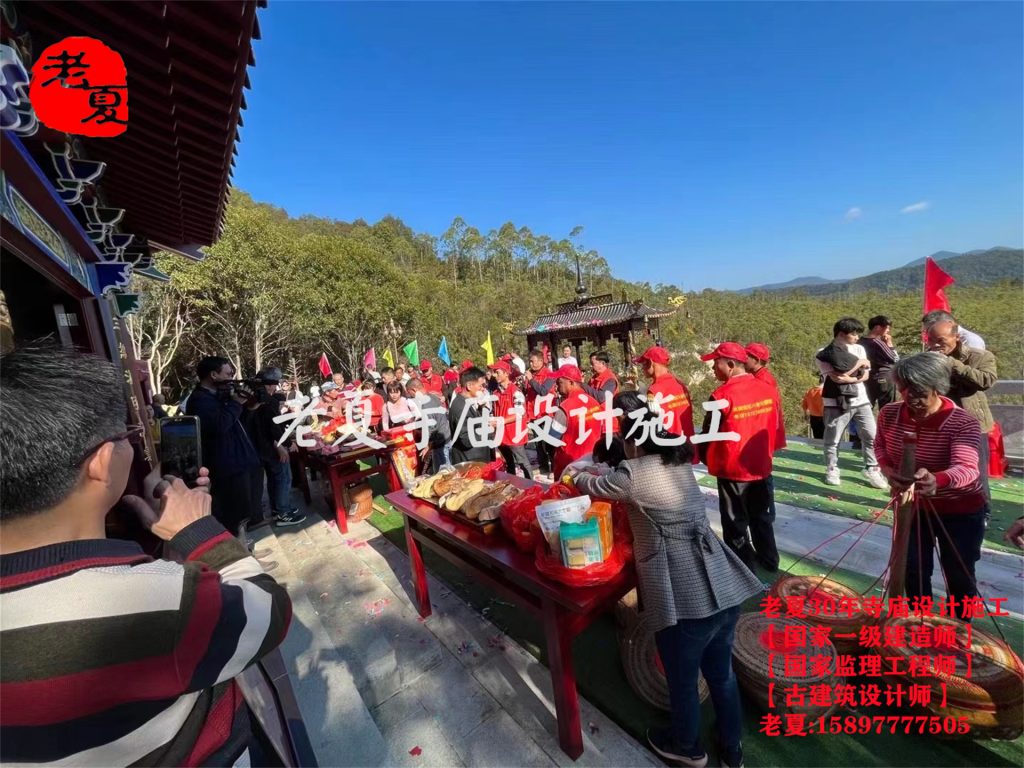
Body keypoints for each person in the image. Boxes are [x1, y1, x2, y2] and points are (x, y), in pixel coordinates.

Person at [0, 343, 292, 766]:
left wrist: (160, 554)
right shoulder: (157, 604)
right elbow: (270, 609)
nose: (135, 446)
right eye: (126, 435)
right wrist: (199, 532)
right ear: (101, 462)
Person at [569, 392, 762, 768]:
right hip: (722, 583)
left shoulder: (631, 474)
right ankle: (732, 748)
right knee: (721, 674)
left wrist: (578, 470)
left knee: (682, 678)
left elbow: (588, 485)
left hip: (684, 593)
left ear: (633, 439)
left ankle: (688, 747)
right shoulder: (678, 459)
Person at [875, 353, 987, 621]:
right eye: (904, 389)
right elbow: (880, 447)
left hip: (959, 510)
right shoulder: (890, 414)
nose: (910, 397)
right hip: (912, 507)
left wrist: (938, 479)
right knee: (913, 567)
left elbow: (968, 469)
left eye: (919, 391)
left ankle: (960, 628)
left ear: (938, 386)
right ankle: (917, 623)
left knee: (959, 573)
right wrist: (890, 471)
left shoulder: (962, 423)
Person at [699, 342, 781, 572]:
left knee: (735, 523)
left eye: (716, 363)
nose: (713, 368)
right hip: (762, 466)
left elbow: (709, 434)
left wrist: (708, 458)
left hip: (733, 469)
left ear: (731, 364)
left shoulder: (721, 396)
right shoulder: (768, 389)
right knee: (761, 517)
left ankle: (743, 569)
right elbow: (773, 427)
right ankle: (769, 560)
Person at [184, 356, 263, 535]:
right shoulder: (199, 400)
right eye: (228, 374)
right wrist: (236, 403)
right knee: (232, 516)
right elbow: (220, 426)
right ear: (214, 375)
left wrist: (249, 406)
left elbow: (235, 422)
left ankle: (246, 548)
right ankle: (241, 556)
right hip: (226, 467)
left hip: (238, 462)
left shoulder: (219, 396)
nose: (231, 378)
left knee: (243, 512)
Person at [925, 316, 997, 503]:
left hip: (972, 424)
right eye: (930, 340)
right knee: (940, 470)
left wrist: (952, 364)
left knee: (975, 472)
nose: (935, 345)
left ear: (956, 337)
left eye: (940, 341)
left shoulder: (979, 356)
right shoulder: (929, 357)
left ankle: (982, 511)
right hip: (938, 423)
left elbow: (986, 380)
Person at [816, 318, 888, 489]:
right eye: (854, 333)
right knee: (833, 438)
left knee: (871, 435)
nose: (857, 337)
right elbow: (837, 377)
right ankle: (832, 467)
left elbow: (865, 375)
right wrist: (859, 366)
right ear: (842, 334)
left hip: (861, 400)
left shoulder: (859, 349)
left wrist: (853, 376)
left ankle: (872, 468)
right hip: (836, 402)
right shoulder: (824, 352)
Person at [250, 368, 306, 527]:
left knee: (275, 478)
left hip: (262, 448)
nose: (275, 388)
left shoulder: (254, 400)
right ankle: (283, 513)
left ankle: (278, 509)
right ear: (268, 385)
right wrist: (285, 444)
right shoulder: (267, 401)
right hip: (271, 447)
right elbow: (272, 427)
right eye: (274, 384)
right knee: (283, 478)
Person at [745, 342, 787, 520]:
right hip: (762, 432)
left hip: (762, 432)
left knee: (763, 473)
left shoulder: (763, 380)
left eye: (746, 357)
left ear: (756, 360)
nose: (743, 360)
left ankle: (768, 511)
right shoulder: (758, 376)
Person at [550, 364, 603, 479]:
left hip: (568, 465)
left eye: (559, 383)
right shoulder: (594, 402)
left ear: (571, 382)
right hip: (591, 461)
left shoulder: (566, 407)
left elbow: (553, 438)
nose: (557, 387)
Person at [634, 345, 694, 439]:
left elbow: (653, 421)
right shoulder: (681, 386)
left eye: (643, 364)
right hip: (688, 444)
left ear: (650, 362)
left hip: (668, 446)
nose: (642, 369)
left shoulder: (654, 391)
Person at [489, 360, 533, 478]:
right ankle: (512, 484)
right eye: (494, 372)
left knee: (523, 462)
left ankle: (532, 485)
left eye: (497, 372)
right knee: (509, 463)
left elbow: (520, 413)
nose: (494, 375)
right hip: (502, 434)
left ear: (506, 373)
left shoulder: (516, 392)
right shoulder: (495, 393)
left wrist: (500, 421)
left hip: (514, 434)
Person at [448, 366, 494, 463]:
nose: (483, 389)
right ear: (469, 386)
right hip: (470, 460)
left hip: (476, 457)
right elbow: (466, 440)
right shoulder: (461, 407)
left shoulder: (467, 401)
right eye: (480, 385)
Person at [405, 377, 452, 472]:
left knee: (443, 474)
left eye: (410, 393)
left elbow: (431, 427)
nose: (411, 396)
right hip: (446, 436)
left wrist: (427, 445)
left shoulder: (425, 404)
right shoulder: (432, 396)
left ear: (414, 390)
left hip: (440, 443)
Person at [524, 348, 557, 478]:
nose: (531, 364)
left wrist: (531, 380)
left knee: (548, 442)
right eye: (530, 362)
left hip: (546, 413)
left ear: (541, 361)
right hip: (534, 413)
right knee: (538, 442)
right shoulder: (530, 375)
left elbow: (543, 391)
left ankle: (554, 468)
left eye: (533, 362)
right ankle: (543, 465)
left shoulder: (549, 374)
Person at [861, 315, 899, 408]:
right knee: (887, 407)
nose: (888, 331)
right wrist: (890, 344)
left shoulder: (860, 341)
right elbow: (895, 359)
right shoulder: (878, 343)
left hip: (866, 377)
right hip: (884, 377)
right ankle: (885, 422)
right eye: (887, 328)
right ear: (877, 327)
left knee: (867, 406)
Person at [922, 309, 986, 350]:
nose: (930, 333)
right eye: (927, 331)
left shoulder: (971, 340)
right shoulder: (935, 342)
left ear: (950, 323)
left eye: (932, 329)